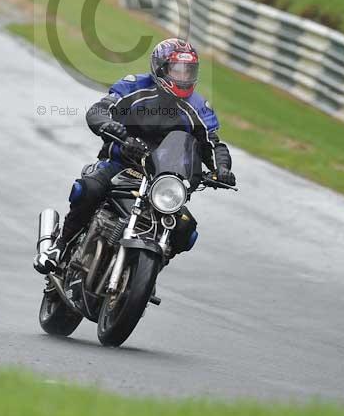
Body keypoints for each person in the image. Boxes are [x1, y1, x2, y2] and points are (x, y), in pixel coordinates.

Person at [34, 38, 235, 274]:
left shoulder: (199, 107)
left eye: (188, 70)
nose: (183, 76)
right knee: (89, 189)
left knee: (185, 231)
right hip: (121, 164)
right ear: (160, 68)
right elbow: (100, 109)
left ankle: (149, 268)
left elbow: (212, 143)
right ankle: (60, 246)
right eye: (177, 69)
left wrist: (222, 168)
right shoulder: (134, 86)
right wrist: (112, 127)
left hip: (164, 180)